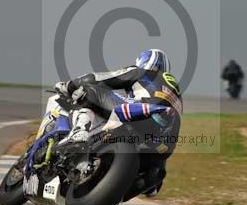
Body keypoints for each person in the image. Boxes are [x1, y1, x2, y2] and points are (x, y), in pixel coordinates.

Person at [53, 49, 183, 196]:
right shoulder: (176, 93)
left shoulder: (141, 72)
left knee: (90, 90)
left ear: (143, 62)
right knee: (155, 172)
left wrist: (71, 85)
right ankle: (147, 181)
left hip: (141, 113)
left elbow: (101, 78)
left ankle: (80, 132)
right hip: (162, 145)